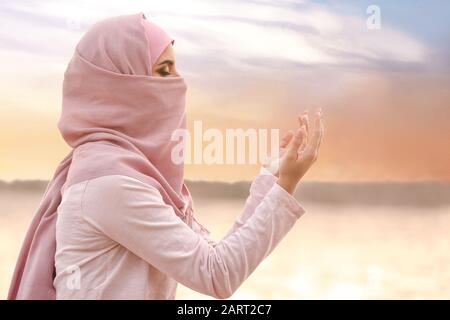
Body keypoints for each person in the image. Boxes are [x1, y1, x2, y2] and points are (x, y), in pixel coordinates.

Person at [8, 12, 324, 300]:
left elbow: (215, 258)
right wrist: (285, 187)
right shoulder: (109, 184)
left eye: (175, 68)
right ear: (120, 82)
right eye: (164, 70)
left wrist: (271, 178)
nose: (177, 83)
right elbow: (217, 275)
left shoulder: (125, 173)